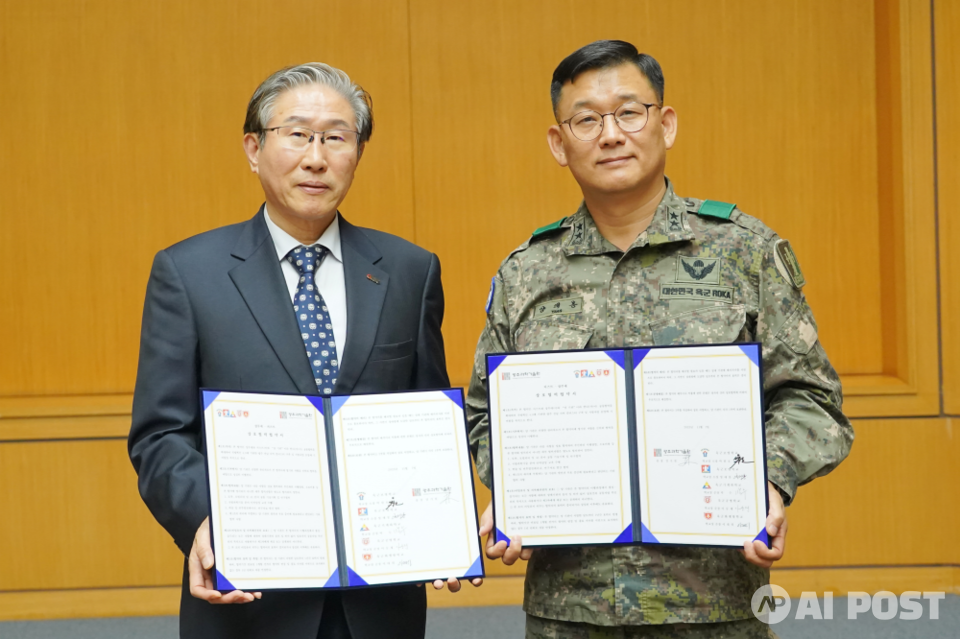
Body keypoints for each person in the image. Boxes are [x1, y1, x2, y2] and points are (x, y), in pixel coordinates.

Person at [467, 40, 854, 638]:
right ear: (558, 142)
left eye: (630, 112)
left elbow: (812, 401)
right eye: (587, 120)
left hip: (712, 604)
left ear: (665, 124)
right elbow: (484, 411)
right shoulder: (525, 273)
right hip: (570, 609)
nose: (611, 134)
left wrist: (769, 481)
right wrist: (514, 487)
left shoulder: (744, 252)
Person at [128, 62, 476, 639]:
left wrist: (441, 523)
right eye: (297, 134)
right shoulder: (188, 273)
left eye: (336, 137)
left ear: (356, 153)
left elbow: (428, 417)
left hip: (379, 603)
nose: (317, 157)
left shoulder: (411, 271)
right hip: (249, 599)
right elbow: (160, 434)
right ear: (253, 147)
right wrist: (206, 521)